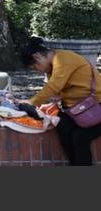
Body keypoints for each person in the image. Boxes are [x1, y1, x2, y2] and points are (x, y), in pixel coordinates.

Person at [19, 36, 101, 166]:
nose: (38, 70)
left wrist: (32, 102)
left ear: (37, 57)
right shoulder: (53, 67)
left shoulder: (62, 59)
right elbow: (57, 92)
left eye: (35, 67)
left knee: (80, 137)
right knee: (62, 125)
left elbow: (53, 86)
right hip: (79, 109)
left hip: (97, 106)